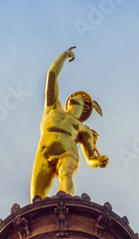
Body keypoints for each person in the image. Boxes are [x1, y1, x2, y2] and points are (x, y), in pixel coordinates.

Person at [30, 47, 108, 200]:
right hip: (44, 151)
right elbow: (52, 75)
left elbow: (90, 157)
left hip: (68, 152)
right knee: (36, 197)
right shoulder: (53, 108)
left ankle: (64, 207)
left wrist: (98, 161)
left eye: (76, 98)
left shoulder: (83, 128)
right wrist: (64, 56)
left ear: (85, 107)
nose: (72, 98)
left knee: (65, 176)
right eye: (73, 97)